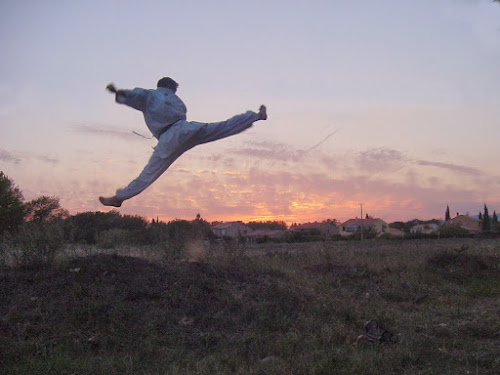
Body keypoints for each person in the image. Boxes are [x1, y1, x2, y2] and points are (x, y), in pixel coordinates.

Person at [99, 77, 267, 207]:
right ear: (171, 86)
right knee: (222, 127)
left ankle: (119, 198)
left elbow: (135, 95)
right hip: (188, 130)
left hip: (169, 138)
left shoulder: (151, 95)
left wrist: (118, 92)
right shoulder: (177, 101)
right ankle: (256, 116)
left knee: (149, 173)